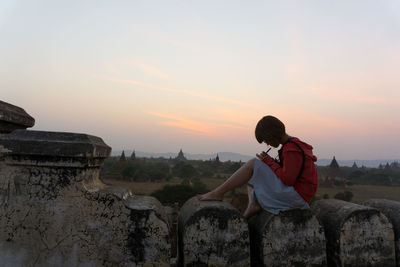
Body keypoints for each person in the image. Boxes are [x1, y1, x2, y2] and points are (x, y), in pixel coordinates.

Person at [197, 115, 318, 219]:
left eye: (266, 140)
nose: (267, 144)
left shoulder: (291, 149)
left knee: (253, 164)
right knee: (252, 175)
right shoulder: (292, 145)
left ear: (271, 135)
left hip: (297, 198)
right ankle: (252, 205)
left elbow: (288, 179)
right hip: (296, 195)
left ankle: (218, 193)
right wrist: (268, 162)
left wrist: (268, 161)